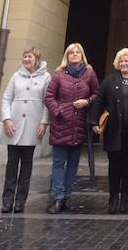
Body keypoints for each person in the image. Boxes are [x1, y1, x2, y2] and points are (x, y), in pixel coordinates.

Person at [90, 48, 128, 214]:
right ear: (117, 63)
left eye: (127, 60)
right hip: (113, 130)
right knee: (114, 166)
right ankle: (113, 198)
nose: (124, 63)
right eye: (121, 61)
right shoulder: (109, 81)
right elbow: (99, 100)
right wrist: (94, 121)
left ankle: (125, 198)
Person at [44, 42, 99, 214]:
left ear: (82, 55)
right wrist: (58, 111)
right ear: (67, 56)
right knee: (59, 163)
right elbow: (49, 97)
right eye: (71, 52)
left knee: (73, 164)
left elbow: (97, 94)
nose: (75, 54)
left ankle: (67, 196)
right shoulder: (59, 75)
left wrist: (86, 102)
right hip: (61, 124)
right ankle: (58, 197)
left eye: (77, 52)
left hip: (79, 125)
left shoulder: (89, 73)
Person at [0, 47, 51, 213]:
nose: (27, 59)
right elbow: (6, 98)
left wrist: (43, 122)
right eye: (25, 56)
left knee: (26, 164)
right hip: (13, 125)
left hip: (32, 125)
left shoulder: (46, 77)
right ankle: (7, 200)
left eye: (30, 56)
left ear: (37, 59)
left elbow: (47, 102)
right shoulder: (16, 75)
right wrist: (7, 118)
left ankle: (20, 200)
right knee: (12, 164)